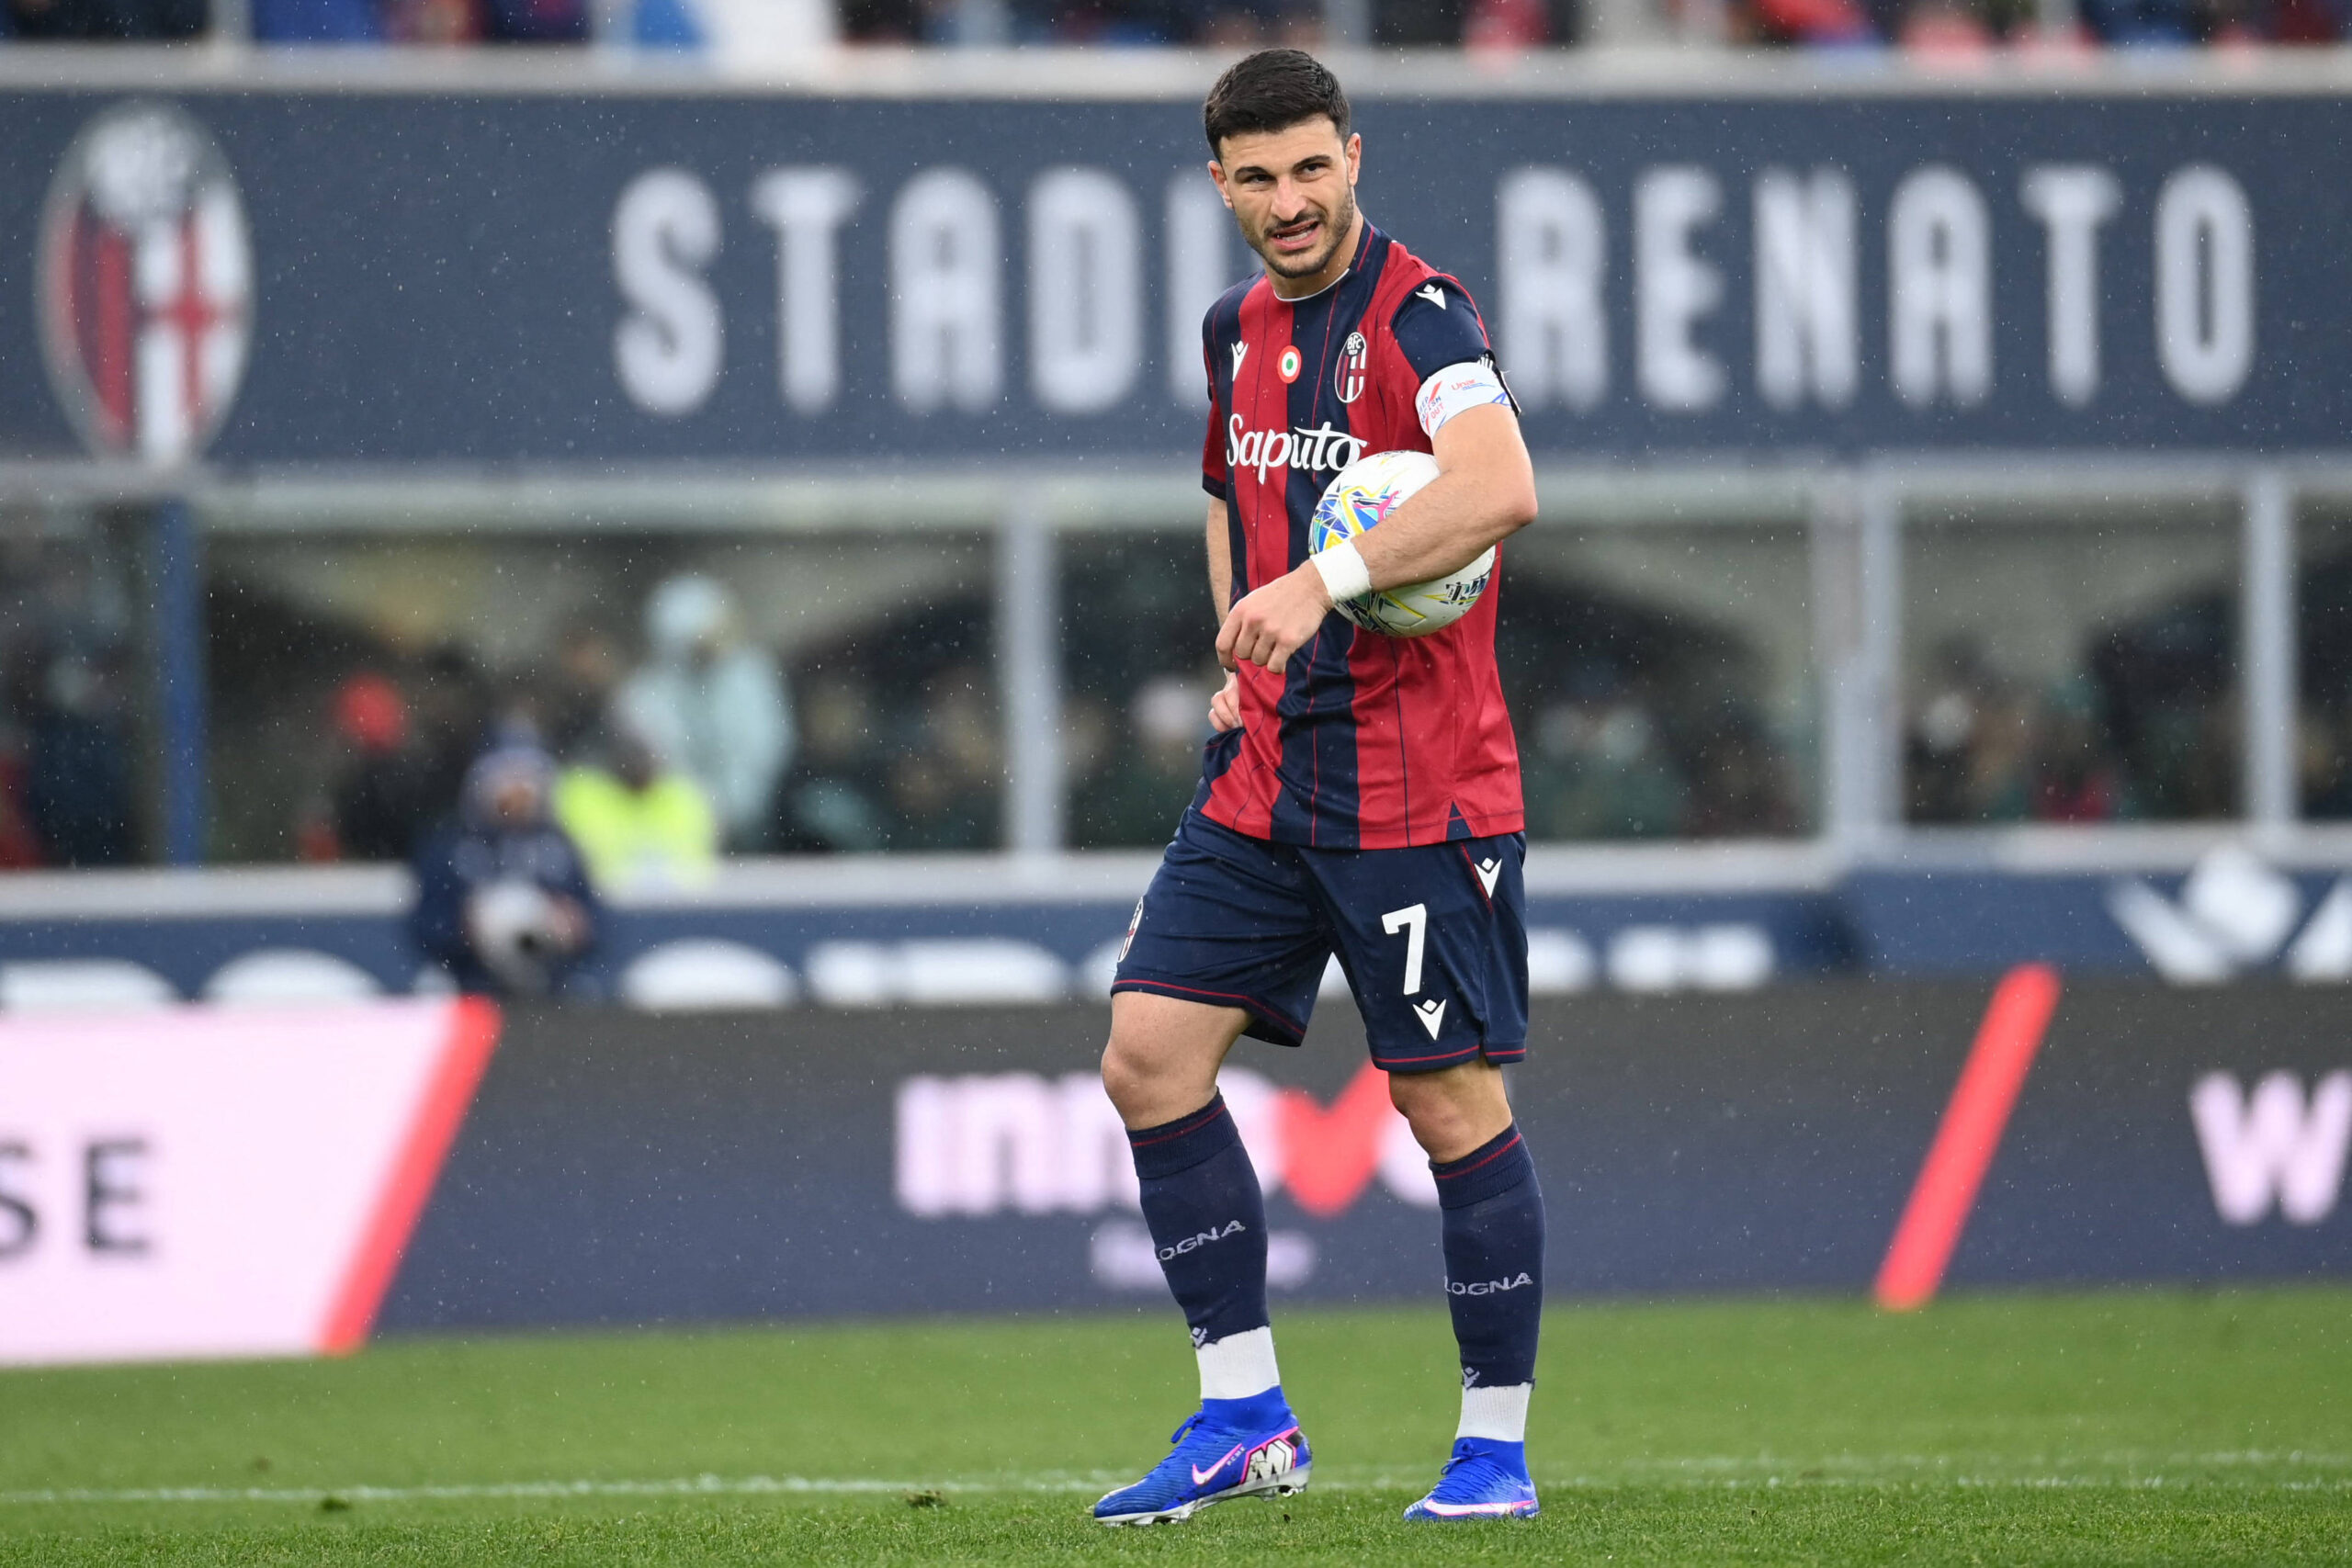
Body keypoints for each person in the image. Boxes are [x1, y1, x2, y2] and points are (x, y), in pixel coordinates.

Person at [1091, 50, 1544, 1528]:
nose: (1289, 202)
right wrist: (1247, 636)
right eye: (1257, 177)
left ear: (1354, 156)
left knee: (1444, 1098)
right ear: (1217, 182)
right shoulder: (1233, 332)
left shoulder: (1424, 315)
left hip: (1419, 788)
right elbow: (1232, 494)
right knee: (1148, 1054)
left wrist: (1322, 579)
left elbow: (1500, 486)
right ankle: (1245, 1416)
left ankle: (1493, 1450)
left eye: (1311, 168)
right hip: (1270, 770)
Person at [616, 574, 791, 853]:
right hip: (676, 833)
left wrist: (735, 809)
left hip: (755, 825)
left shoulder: (751, 677)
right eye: (709, 628)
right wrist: (700, 814)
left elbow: (767, 750)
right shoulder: (643, 695)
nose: (721, 636)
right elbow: (661, 766)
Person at [411, 740, 600, 997]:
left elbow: (595, 920)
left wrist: (574, 924)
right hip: (468, 980)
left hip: (549, 981)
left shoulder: (559, 847)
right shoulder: (453, 845)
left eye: (528, 778)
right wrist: (461, 930)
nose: (519, 790)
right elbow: (425, 922)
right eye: (508, 778)